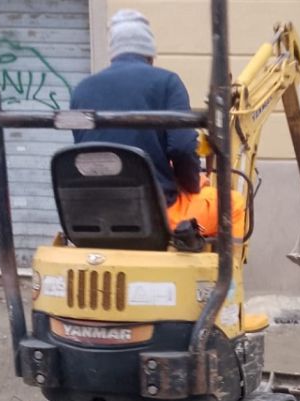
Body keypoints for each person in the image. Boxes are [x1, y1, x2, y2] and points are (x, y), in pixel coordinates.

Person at [70, 9, 245, 238]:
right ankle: (218, 263)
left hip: (96, 214)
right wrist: (191, 186)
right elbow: (182, 148)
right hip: (157, 217)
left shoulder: (81, 90)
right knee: (234, 205)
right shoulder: (167, 83)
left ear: (113, 53)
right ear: (150, 53)